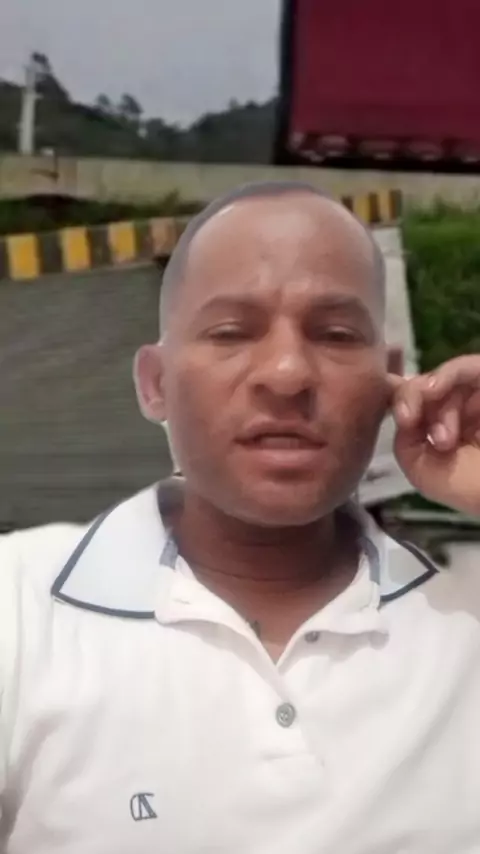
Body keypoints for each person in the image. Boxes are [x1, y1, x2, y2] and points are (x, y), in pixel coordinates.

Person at [1, 181, 480, 854]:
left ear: (391, 381)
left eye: (336, 334)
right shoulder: (18, 608)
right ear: (155, 383)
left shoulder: (463, 620)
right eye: (230, 332)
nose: (286, 373)